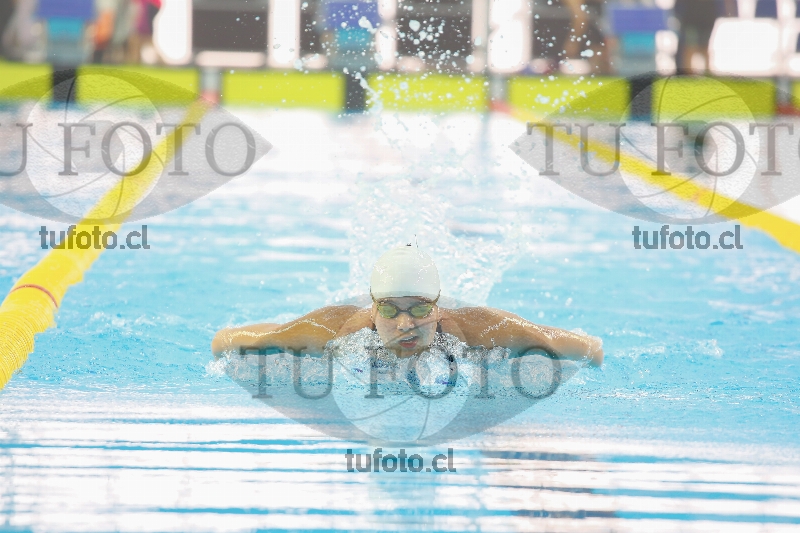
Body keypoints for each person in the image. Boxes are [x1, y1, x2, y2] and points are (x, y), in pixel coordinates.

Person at [211, 245, 604, 366]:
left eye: (418, 309)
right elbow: (227, 340)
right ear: (372, 308)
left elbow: (587, 347)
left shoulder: (481, 330)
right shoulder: (334, 330)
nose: (404, 324)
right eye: (389, 310)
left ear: (437, 308)